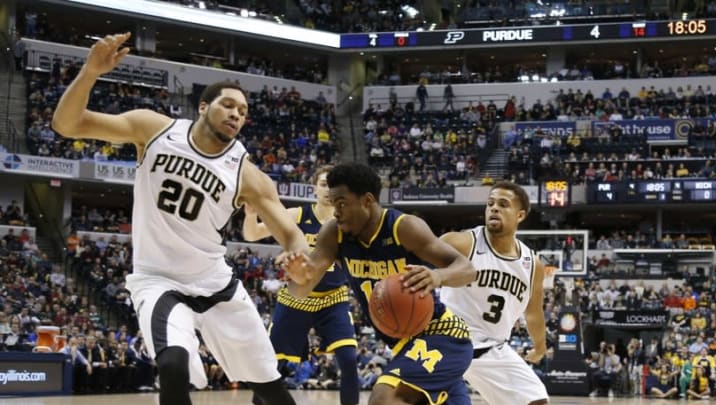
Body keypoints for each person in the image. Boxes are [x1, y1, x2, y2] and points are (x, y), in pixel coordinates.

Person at [51, 32, 311, 405]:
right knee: (172, 363)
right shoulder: (153, 129)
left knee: (270, 388)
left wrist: (299, 257)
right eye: (228, 105)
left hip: (216, 284)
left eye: (243, 112)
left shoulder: (247, 174)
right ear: (203, 107)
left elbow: (289, 231)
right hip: (158, 280)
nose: (237, 114)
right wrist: (91, 72)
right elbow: (67, 124)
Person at [281, 163, 477, 405]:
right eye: (333, 204)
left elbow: (467, 269)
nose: (336, 212)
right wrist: (300, 278)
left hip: (442, 334)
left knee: (384, 396)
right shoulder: (335, 232)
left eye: (342, 203)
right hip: (403, 346)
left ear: (367, 200)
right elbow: (302, 288)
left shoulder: (403, 227)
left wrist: (438, 277)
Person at [244, 165, 359, 405]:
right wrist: (250, 214)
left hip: (333, 299)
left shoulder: (349, 222)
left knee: (348, 359)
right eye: (324, 184)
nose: (329, 190)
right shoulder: (298, 214)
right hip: (296, 297)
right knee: (271, 363)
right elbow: (252, 234)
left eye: (334, 185)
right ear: (314, 188)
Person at [438, 181, 549, 405]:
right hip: (446, 343)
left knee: (537, 401)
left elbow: (534, 313)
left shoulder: (532, 264)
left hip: (491, 349)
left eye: (503, 204)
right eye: (490, 203)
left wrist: (539, 348)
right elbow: (414, 259)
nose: (494, 208)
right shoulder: (461, 243)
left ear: (520, 215)